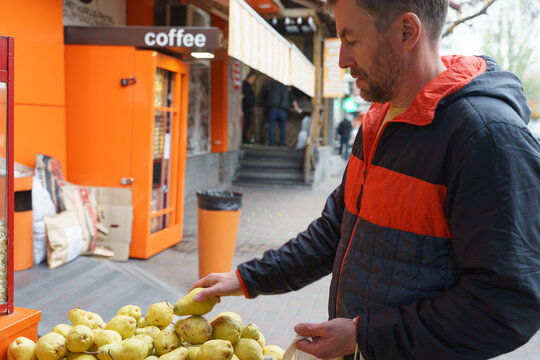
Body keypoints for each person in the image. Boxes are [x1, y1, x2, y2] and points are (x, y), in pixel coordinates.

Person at [191, 0, 540, 359]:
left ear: (407, 32)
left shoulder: (487, 138)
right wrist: (248, 278)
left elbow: (507, 305)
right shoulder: (378, 120)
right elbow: (337, 229)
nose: (342, 59)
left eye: (351, 40)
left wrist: (364, 335)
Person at [264, 80, 301, 146]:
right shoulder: (287, 87)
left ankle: (271, 144)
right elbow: (293, 99)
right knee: (282, 128)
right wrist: (296, 107)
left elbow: (265, 96)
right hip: (283, 110)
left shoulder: (272, 85)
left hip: (273, 109)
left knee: (272, 127)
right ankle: (282, 144)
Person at [242, 71, 257, 144]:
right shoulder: (245, 84)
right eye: (253, 79)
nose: (253, 81)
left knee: (247, 124)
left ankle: (245, 138)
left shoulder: (247, 85)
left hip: (249, 107)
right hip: (247, 108)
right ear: (249, 78)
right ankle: (244, 138)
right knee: (246, 124)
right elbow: (246, 97)